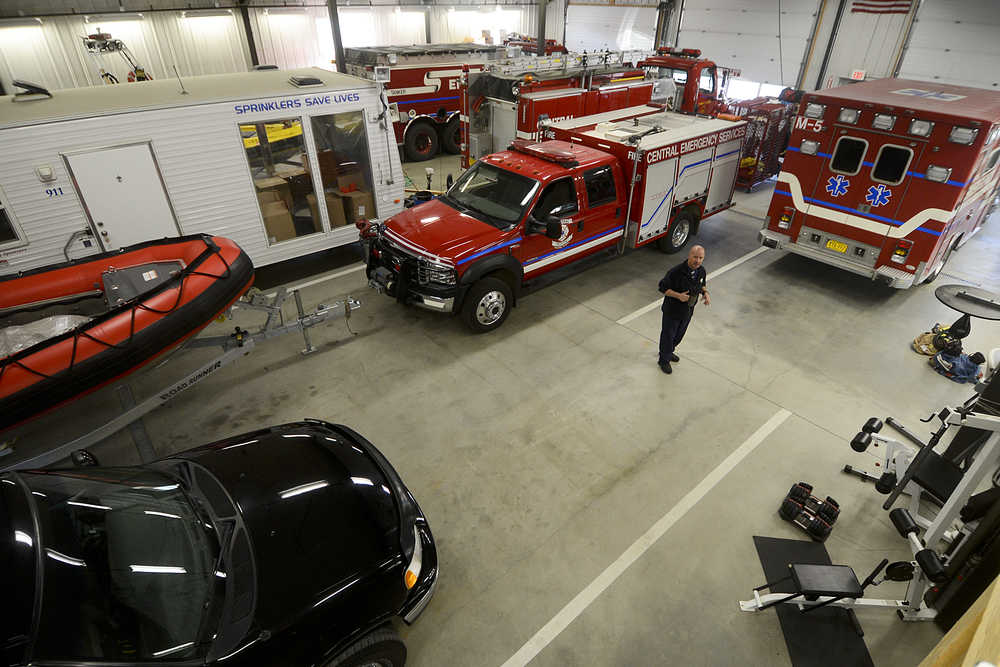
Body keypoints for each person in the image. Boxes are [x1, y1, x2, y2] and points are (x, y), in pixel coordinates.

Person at [657, 244, 710, 374]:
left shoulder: (701, 271)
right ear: (689, 256)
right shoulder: (675, 272)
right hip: (672, 311)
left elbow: (702, 284)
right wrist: (678, 296)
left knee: (679, 335)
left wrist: (706, 293)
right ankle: (663, 360)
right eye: (695, 257)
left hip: (688, 311)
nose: (697, 261)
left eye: (700, 258)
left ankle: (668, 352)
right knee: (668, 335)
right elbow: (662, 288)